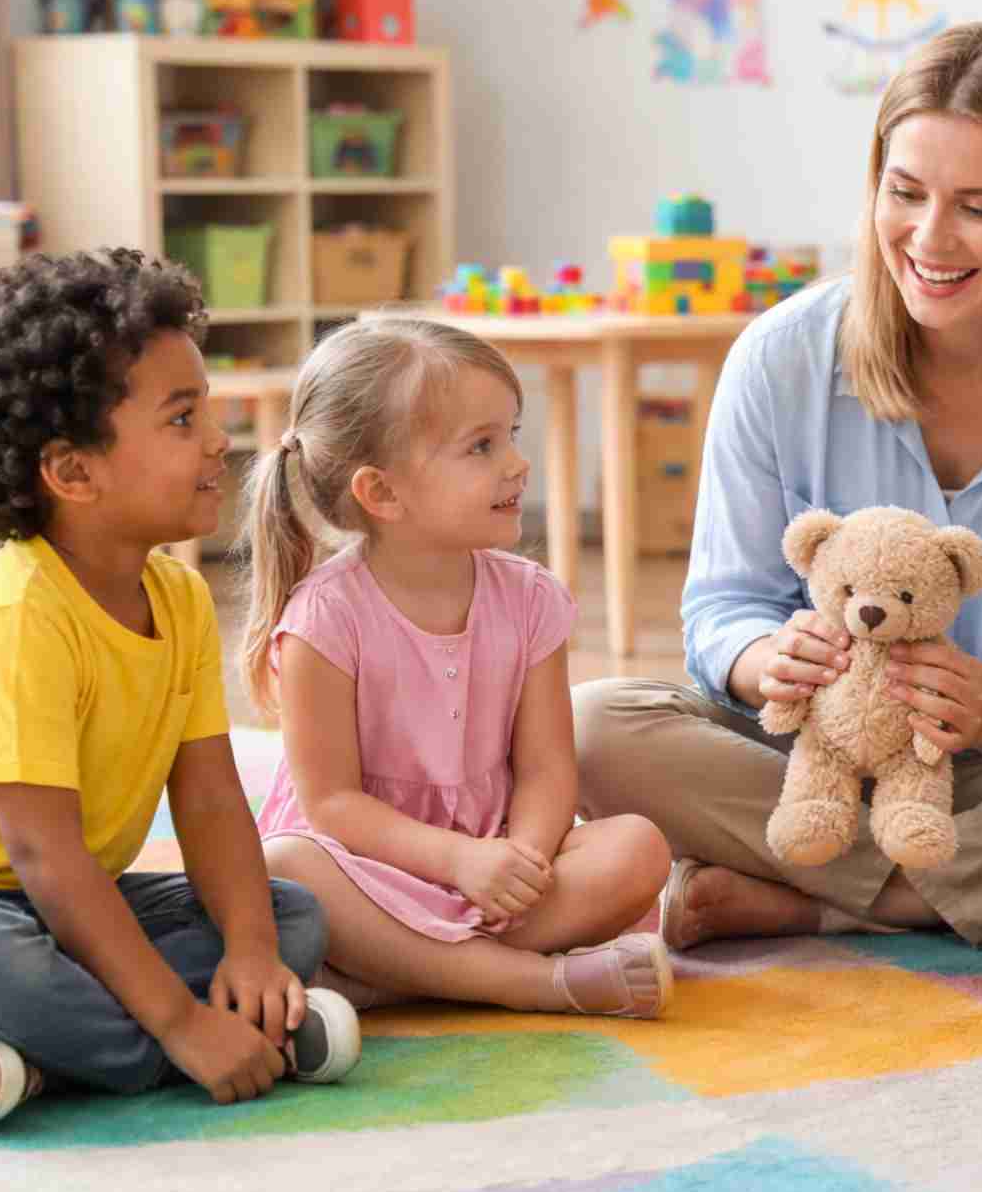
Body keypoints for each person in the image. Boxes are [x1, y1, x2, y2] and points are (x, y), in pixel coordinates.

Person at [572, 21, 982, 949]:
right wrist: (761, 661)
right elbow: (725, 607)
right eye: (904, 193)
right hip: (804, 754)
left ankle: (811, 897)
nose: (928, 239)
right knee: (590, 728)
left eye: (978, 208)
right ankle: (942, 893)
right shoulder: (781, 359)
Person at [0, 250, 357, 1135]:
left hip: (58, 919)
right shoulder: (16, 612)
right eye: (182, 418)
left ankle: (15, 1066)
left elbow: (212, 800)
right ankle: (184, 1041)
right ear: (71, 473)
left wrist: (252, 952)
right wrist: (182, 1020)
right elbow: (48, 858)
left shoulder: (174, 596)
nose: (219, 438)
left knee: (289, 916)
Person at [243, 318, 674, 1018]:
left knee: (639, 847)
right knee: (286, 868)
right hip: (369, 868)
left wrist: (523, 860)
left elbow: (546, 769)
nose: (516, 463)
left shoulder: (532, 599)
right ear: (381, 493)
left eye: (511, 434)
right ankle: (531, 983)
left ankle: (396, 971)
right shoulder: (323, 620)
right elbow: (332, 807)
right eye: (481, 445)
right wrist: (458, 862)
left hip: (498, 869)